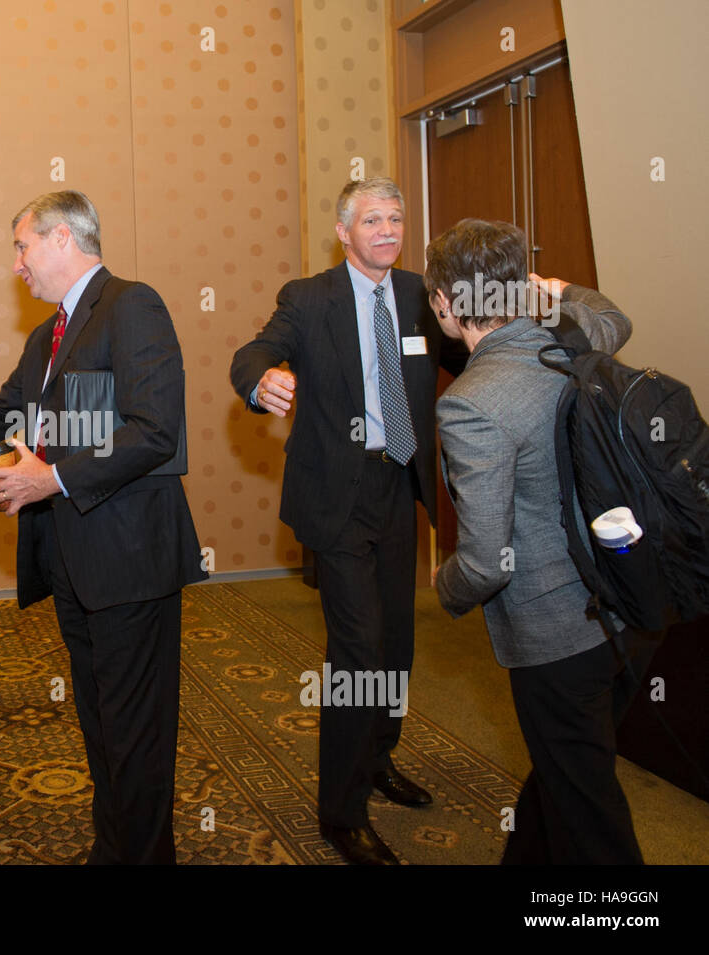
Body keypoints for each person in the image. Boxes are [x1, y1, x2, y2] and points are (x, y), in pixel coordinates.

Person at [0, 190, 206, 864]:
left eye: (21, 246)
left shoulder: (132, 305)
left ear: (63, 238)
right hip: (73, 560)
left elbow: (155, 431)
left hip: (130, 560)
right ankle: (112, 846)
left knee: (137, 734)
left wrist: (51, 479)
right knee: (100, 723)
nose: (17, 265)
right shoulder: (47, 337)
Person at [229, 178, 467, 864]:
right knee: (358, 652)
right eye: (373, 219)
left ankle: (378, 757)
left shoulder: (422, 295)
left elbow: (469, 350)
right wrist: (260, 380)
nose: (388, 229)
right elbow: (253, 352)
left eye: (396, 218)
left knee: (396, 643)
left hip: (399, 485)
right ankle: (341, 810)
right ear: (344, 231)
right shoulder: (309, 298)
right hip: (335, 494)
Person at [427, 218, 656, 864]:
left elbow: (486, 560)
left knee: (589, 817)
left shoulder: (471, 402)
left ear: (445, 302)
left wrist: (443, 585)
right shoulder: (576, 340)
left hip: (559, 638)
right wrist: (546, 294)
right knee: (565, 771)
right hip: (628, 609)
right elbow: (609, 311)